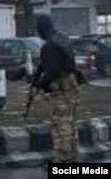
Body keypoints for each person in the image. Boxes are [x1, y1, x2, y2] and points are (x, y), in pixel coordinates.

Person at [31, 14, 83, 163]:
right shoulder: (62, 38)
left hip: (61, 89)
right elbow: (58, 62)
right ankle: (73, 159)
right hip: (72, 86)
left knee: (61, 127)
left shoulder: (49, 46)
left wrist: (39, 83)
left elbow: (52, 71)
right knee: (70, 124)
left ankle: (62, 161)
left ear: (41, 28)